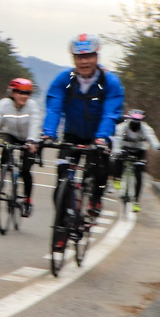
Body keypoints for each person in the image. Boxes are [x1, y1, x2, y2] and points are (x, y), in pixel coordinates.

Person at [40, 33, 125, 251]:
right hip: (72, 134)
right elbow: (54, 107)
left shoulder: (110, 82)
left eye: (88, 56)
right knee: (61, 185)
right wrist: (48, 133)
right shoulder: (64, 80)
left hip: (99, 135)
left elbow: (110, 113)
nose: (84, 61)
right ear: (73, 59)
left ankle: (95, 198)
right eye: (79, 57)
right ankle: (64, 228)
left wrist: (102, 137)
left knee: (100, 168)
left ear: (96, 56)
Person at [0, 77, 42, 217]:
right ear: (12, 92)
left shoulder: (33, 106)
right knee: (6, 149)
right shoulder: (3, 105)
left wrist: (32, 142)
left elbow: (35, 124)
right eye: (20, 92)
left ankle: (28, 200)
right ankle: (1, 178)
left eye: (27, 93)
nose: (24, 96)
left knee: (26, 170)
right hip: (11, 134)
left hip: (29, 138)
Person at [111, 109, 160, 212]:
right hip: (125, 148)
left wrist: (157, 147)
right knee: (118, 159)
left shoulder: (146, 128)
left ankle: (136, 202)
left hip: (139, 150)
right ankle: (117, 178)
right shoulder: (122, 127)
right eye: (133, 121)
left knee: (139, 174)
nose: (135, 126)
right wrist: (116, 151)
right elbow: (117, 139)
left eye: (138, 123)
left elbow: (152, 138)